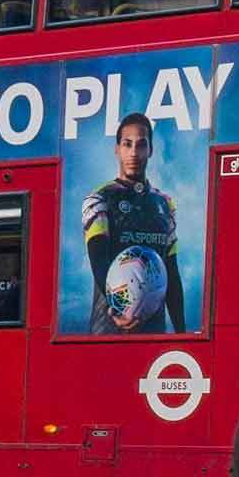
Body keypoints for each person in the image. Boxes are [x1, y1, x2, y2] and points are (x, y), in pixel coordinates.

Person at [82, 113, 183, 334]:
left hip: (153, 334)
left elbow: (172, 274)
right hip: (107, 330)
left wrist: (181, 334)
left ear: (151, 150)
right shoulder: (99, 198)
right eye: (127, 144)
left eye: (141, 145)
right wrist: (120, 309)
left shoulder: (165, 204)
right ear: (117, 149)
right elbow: (98, 260)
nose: (134, 153)